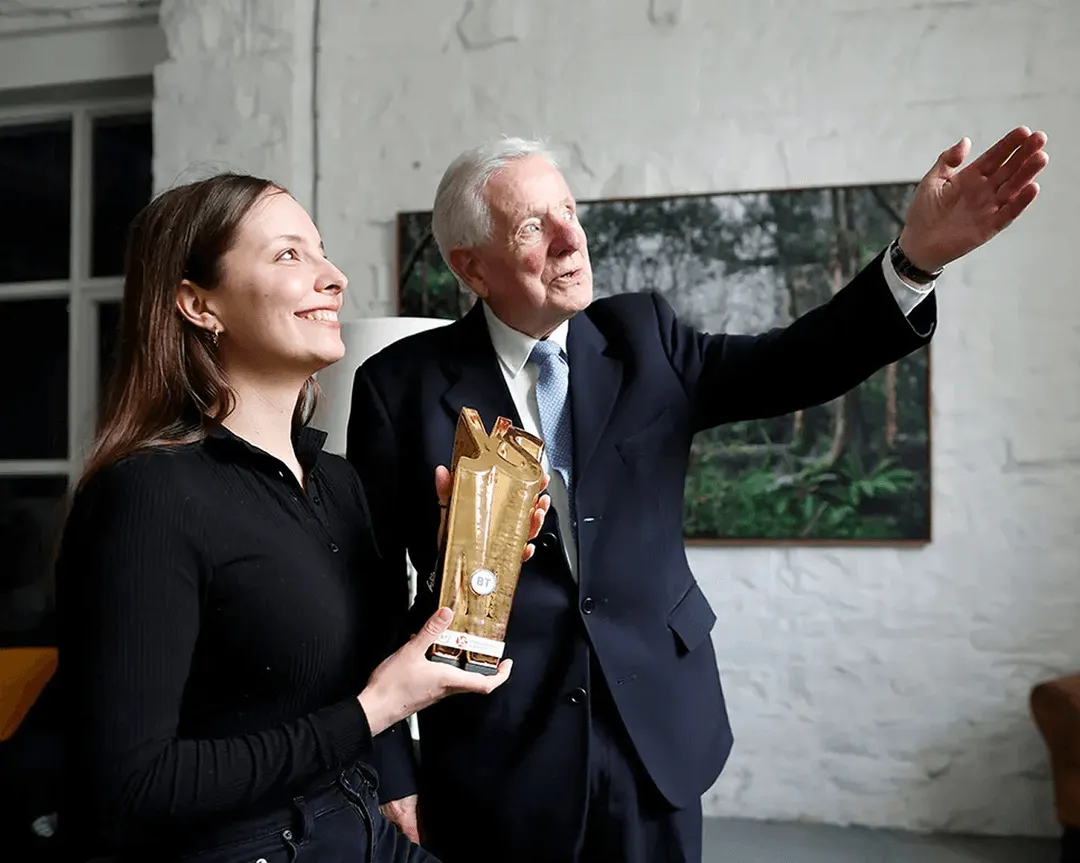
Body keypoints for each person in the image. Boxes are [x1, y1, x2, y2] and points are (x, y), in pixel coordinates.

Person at [346, 127, 1048, 863]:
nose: (570, 238)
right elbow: (368, 593)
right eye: (532, 226)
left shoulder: (644, 338)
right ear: (471, 266)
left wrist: (914, 261)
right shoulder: (398, 387)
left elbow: (795, 363)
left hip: (655, 731)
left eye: (569, 211)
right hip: (498, 752)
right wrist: (390, 765)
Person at [54, 173, 549, 862]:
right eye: (289, 254)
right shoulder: (147, 496)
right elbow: (131, 783)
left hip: (353, 829)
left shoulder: (337, 484)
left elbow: (353, 663)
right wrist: (376, 711)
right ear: (198, 304)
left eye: (322, 251)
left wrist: (459, 565)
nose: (334, 278)